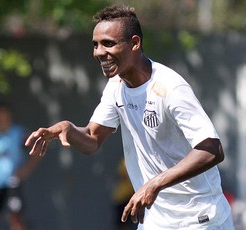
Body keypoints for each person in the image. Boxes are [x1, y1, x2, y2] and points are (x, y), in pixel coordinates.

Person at [25, 5, 234, 229]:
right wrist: (68, 128)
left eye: (108, 43)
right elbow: (93, 139)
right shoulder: (116, 85)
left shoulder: (170, 88)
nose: (98, 52)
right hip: (156, 219)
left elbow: (212, 149)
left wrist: (154, 183)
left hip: (198, 219)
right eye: (95, 45)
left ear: (135, 43)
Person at [0, 102, 40, 230]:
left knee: (15, 217)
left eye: (5, 117)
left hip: (13, 182)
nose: (2, 121)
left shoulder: (19, 133)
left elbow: (37, 148)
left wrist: (27, 169)